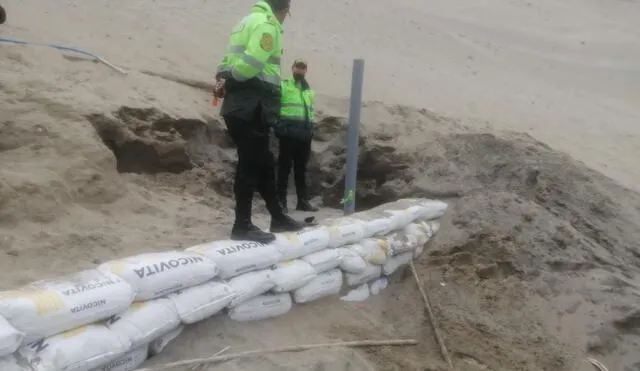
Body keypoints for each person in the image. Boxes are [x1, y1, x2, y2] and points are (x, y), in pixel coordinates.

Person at [213, 0, 305, 243]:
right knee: (250, 165)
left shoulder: (244, 22)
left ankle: (277, 217)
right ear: (283, 10)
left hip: (240, 105)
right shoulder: (268, 25)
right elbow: (250, 65)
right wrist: (232, 79)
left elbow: (227, 60)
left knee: (264, 162)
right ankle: (241, 225)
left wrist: (223, 78)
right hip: (253, 105)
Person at [276, 59, 319, 213]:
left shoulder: (308, 91)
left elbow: (309, 112)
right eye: (298, 67)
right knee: (284, 168)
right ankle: (281, 201)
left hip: (304, 134)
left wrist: (310, 129)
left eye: (303, 68)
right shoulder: (284, 85)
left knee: (301, 169)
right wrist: (280, 127)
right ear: (292, 68)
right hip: (288, 133)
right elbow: (275, 106)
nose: (300, 70)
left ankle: (302, 201)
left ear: (306, 70)